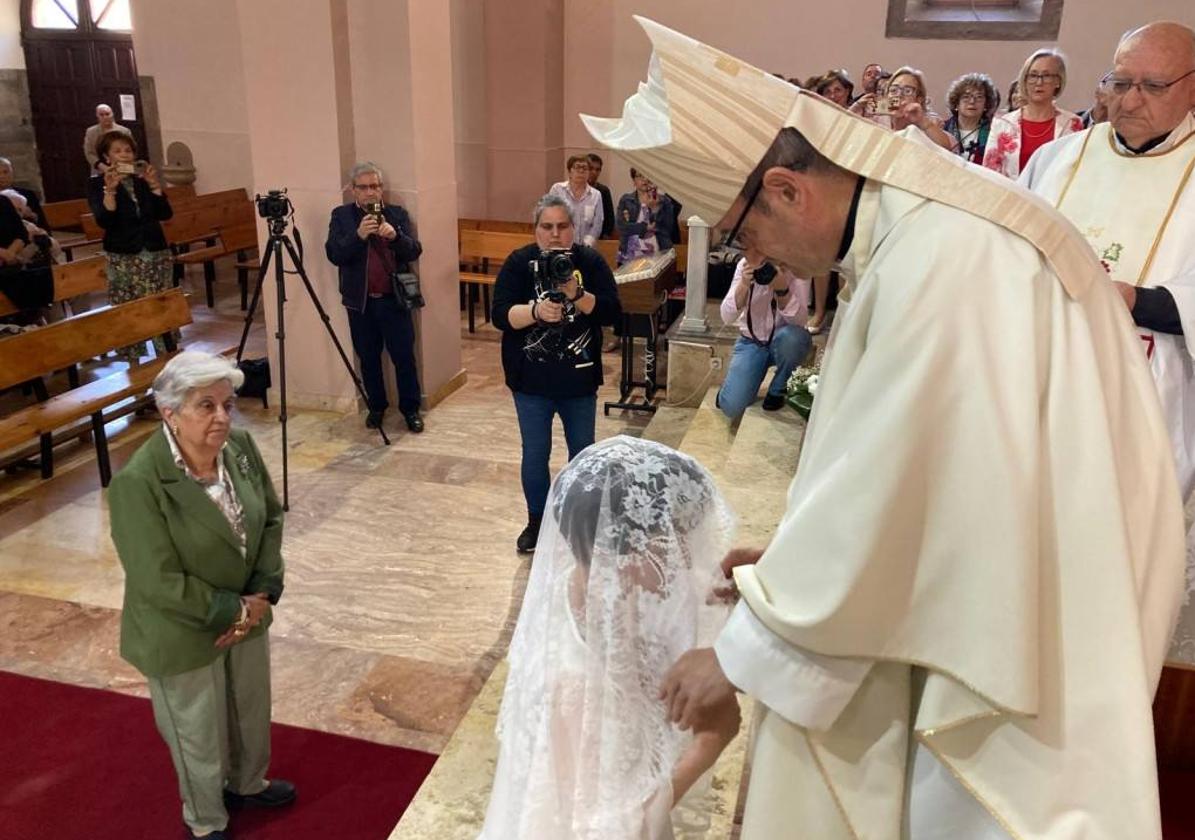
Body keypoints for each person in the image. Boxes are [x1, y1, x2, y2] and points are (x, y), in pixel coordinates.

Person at [583, 18, 1184, 839]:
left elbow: (895, 483)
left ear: (789, 190)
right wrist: (794, 565)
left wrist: (742, 651)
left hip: (1025, 633)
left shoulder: (948, 253)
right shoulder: (918, 226)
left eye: (743, 234)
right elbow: (930, 475)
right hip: (1000, 579)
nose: (758, 256)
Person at [1022, 21, 1195, 662]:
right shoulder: (1059, 156)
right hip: (1039, 381)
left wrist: (1133, 299)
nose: (1129, 100)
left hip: (1147, 389)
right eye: (1119, 82)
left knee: (1111, 563)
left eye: (1152, 85)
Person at [479, 435, 738, 839]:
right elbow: (609, 827)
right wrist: (711, 741)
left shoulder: (594, 587)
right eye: (677, 543)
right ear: (638, 553)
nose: (686, 558)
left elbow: (666, 612)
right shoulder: (577, 684)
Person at [108, 351, 295, 840]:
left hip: (248, 611)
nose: (221, 418)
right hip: (182, 628)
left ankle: (248, 783)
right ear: (169, 414)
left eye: (227, 404)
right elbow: (156, 577)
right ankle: (206, 818)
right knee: (198, 730)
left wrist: (262, 591)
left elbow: (270, 519)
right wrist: (231, 610)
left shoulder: (241, 449)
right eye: (205, 406)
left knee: (249, 708)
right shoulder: (139, 483)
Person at [490, 194, 621, 553]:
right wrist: (535, 311)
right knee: (535, 452)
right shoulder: (519, 262)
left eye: (562, 226)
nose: (555, 234)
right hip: (530, 381)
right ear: (536, 231)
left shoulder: (589, 261)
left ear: (573, 229)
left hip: (578, 381)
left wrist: (577, 293)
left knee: (583, 454)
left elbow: (611, 312)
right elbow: (499, 314)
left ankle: (581, 520)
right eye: (547, 227)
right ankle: (537, 521)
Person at [325, 161, 425, 432]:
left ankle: (411, 409)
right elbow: (334, 254)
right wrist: (358, 236)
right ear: (353, 191)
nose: (371, 192)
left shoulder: (396, 214)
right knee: (368, 357)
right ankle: (377, 407)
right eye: (364, 187)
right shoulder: (342, 217)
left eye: (375, 186)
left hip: (394, 300)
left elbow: (414, 251)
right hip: (361, 302)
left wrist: (395, 236)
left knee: (404, 357)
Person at [86, 130, 174, 364]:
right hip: (125, 255)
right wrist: (111, 190)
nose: (124, 155)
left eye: (128, 150)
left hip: (155, 251)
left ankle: (167, 355)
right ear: (106, 157)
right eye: (117, 151)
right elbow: (105, 220)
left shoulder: (142, 180)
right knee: (129, 308)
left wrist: (155, 187)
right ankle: (133, 362)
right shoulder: (97, 185)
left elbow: (165, 214)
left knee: (160, 304)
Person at [715, 252, 811, 419]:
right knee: (732, 408)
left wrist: (782, 290)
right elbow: (726, 317)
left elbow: (800, 321)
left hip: (785, 341)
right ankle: (732, 390)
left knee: (796, 338)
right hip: (751, 342)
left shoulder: (798, 268)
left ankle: (778, 389)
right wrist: (744, 285)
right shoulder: (746, 264)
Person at [983, 48, 1084, 179]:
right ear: (1024, 80)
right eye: (1033, 75)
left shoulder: (1072, 123)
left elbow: (1074, 172)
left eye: (1046, 76)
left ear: (1058, 81)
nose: (1039, 82)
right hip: (1011, 196)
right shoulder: (1003, 123)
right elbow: (990, 173)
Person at [616, 167, 676, 264]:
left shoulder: (665, 201)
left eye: (647, 174)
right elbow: (622, 227)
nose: (645, 179)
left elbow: (667, 228)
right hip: (631, 251)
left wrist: (654, 209)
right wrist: (645, 227)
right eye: (640, 176)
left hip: (658, 250)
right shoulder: (626, 200)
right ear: (634, 181)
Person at [943, 72, 998, 164]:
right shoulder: (942, 129)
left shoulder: (994, 132)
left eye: (979, 97)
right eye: (966, 97)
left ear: (986, 104)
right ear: (956, 103)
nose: (972, 101)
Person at [549, 156, 604, 247]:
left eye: (585, 168)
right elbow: (549, 216)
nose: (581, 171)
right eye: (577, 167)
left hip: (586, 249)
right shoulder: (557, 190)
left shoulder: (596, 195)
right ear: (570, 171)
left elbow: (597, 223)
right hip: (560, 245)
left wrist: (587, 244)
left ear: (588, 173)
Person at [83, 103, 132, 174]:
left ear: (112, 114)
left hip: (123, 167)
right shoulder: (91, 132)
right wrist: (102, 167)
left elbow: (131, 150)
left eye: (107, 114)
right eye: (101, 115)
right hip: (99, 169)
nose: (105, 117)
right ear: (97, 116)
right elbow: (89, 152)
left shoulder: (124, 131)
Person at [0, 157, 48, 230]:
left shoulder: (28, 195)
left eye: (5, 172)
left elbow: (43, 225)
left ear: (12, 173)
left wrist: (32, 216)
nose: (2, 176)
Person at [586, 152, 615, 239]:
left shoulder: (603, 191)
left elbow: (609, 218)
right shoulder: (575, 190)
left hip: (599, 238)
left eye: (597, 169)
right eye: (591, 169)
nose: (594, 172)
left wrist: (605, 237)